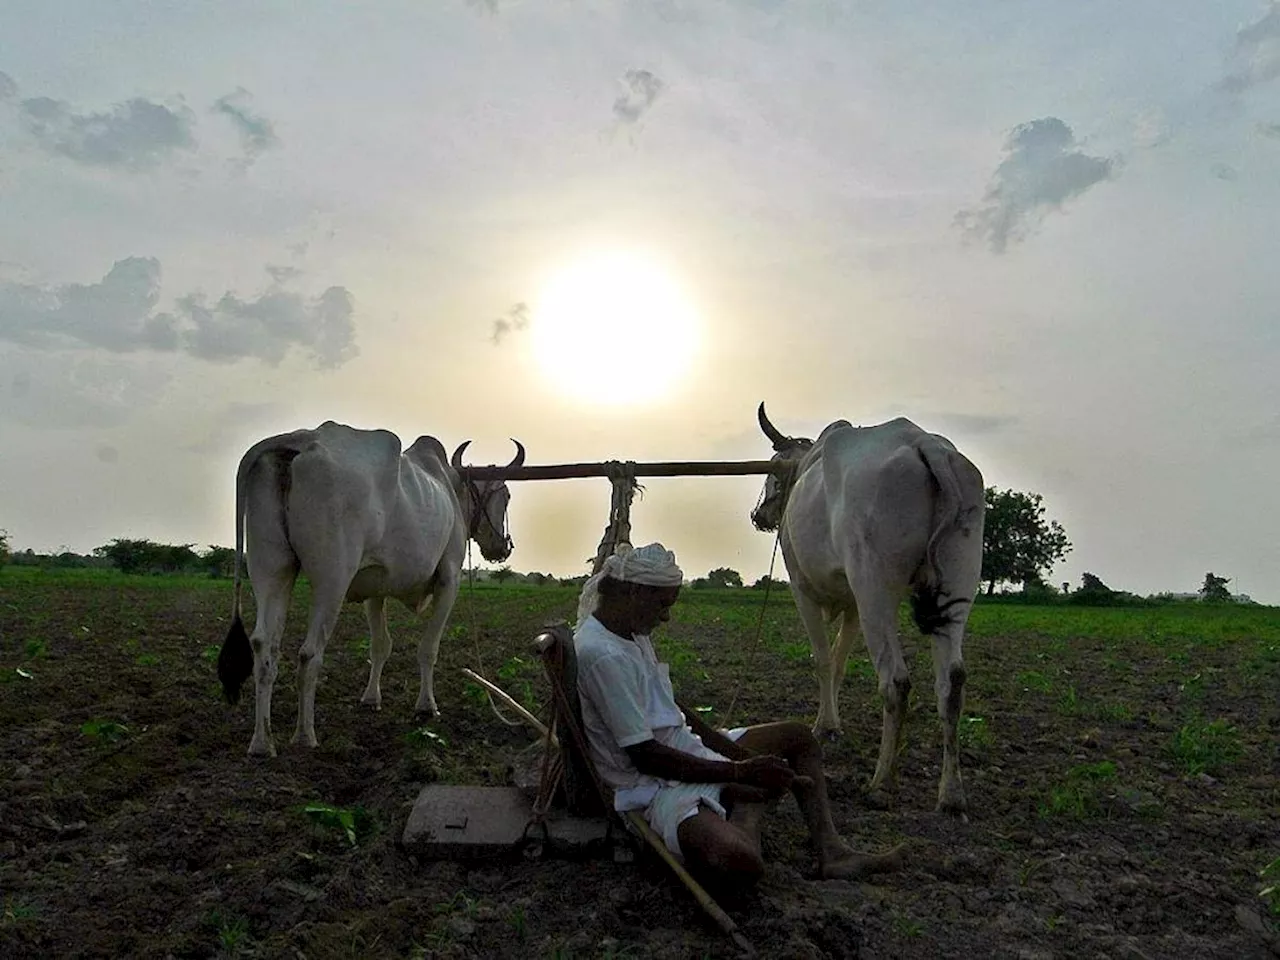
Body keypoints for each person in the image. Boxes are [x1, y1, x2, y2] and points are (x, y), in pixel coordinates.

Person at [573, 541, 903, 890]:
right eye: (662, 605)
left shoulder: (628, 631)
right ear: (635, 593)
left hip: (682, 750)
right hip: (652, 786)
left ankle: (833, 853)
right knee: (739, 862)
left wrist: (738, 755)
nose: (666, 616)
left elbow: (673, 709)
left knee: (798, 737)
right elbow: (644, 757)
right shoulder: (603, 655)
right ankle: (745, 803)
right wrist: (739, 772)